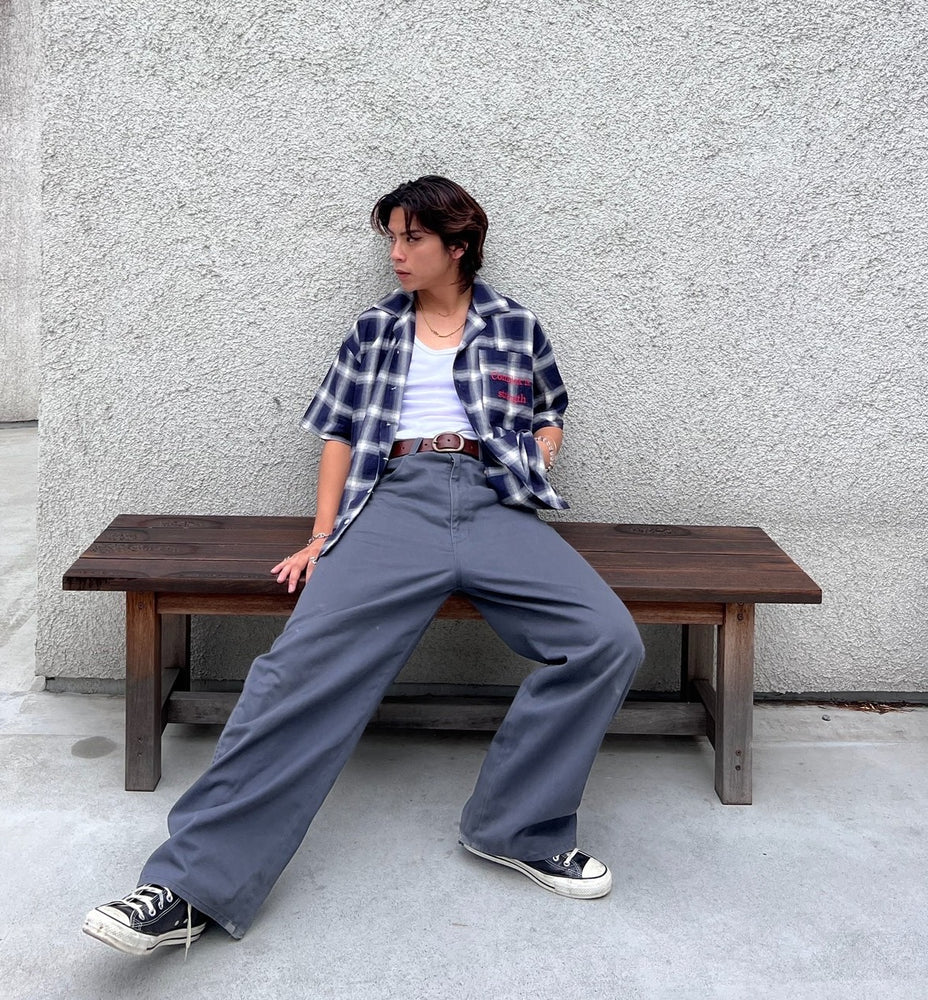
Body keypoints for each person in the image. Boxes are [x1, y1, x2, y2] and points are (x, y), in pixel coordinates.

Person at [82, 175, 644, 956]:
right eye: (392, 238)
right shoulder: (375, 329)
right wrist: (324, 535)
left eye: (413, 238)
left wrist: (539, 451)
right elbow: (340, 435)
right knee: (295, 671)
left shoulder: (516, 325)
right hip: (395, 504)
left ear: (458, 246)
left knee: (608, 639)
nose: (397, 253)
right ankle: (189, 887)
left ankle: (515, 826)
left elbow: (551, 407)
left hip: (494, 503)